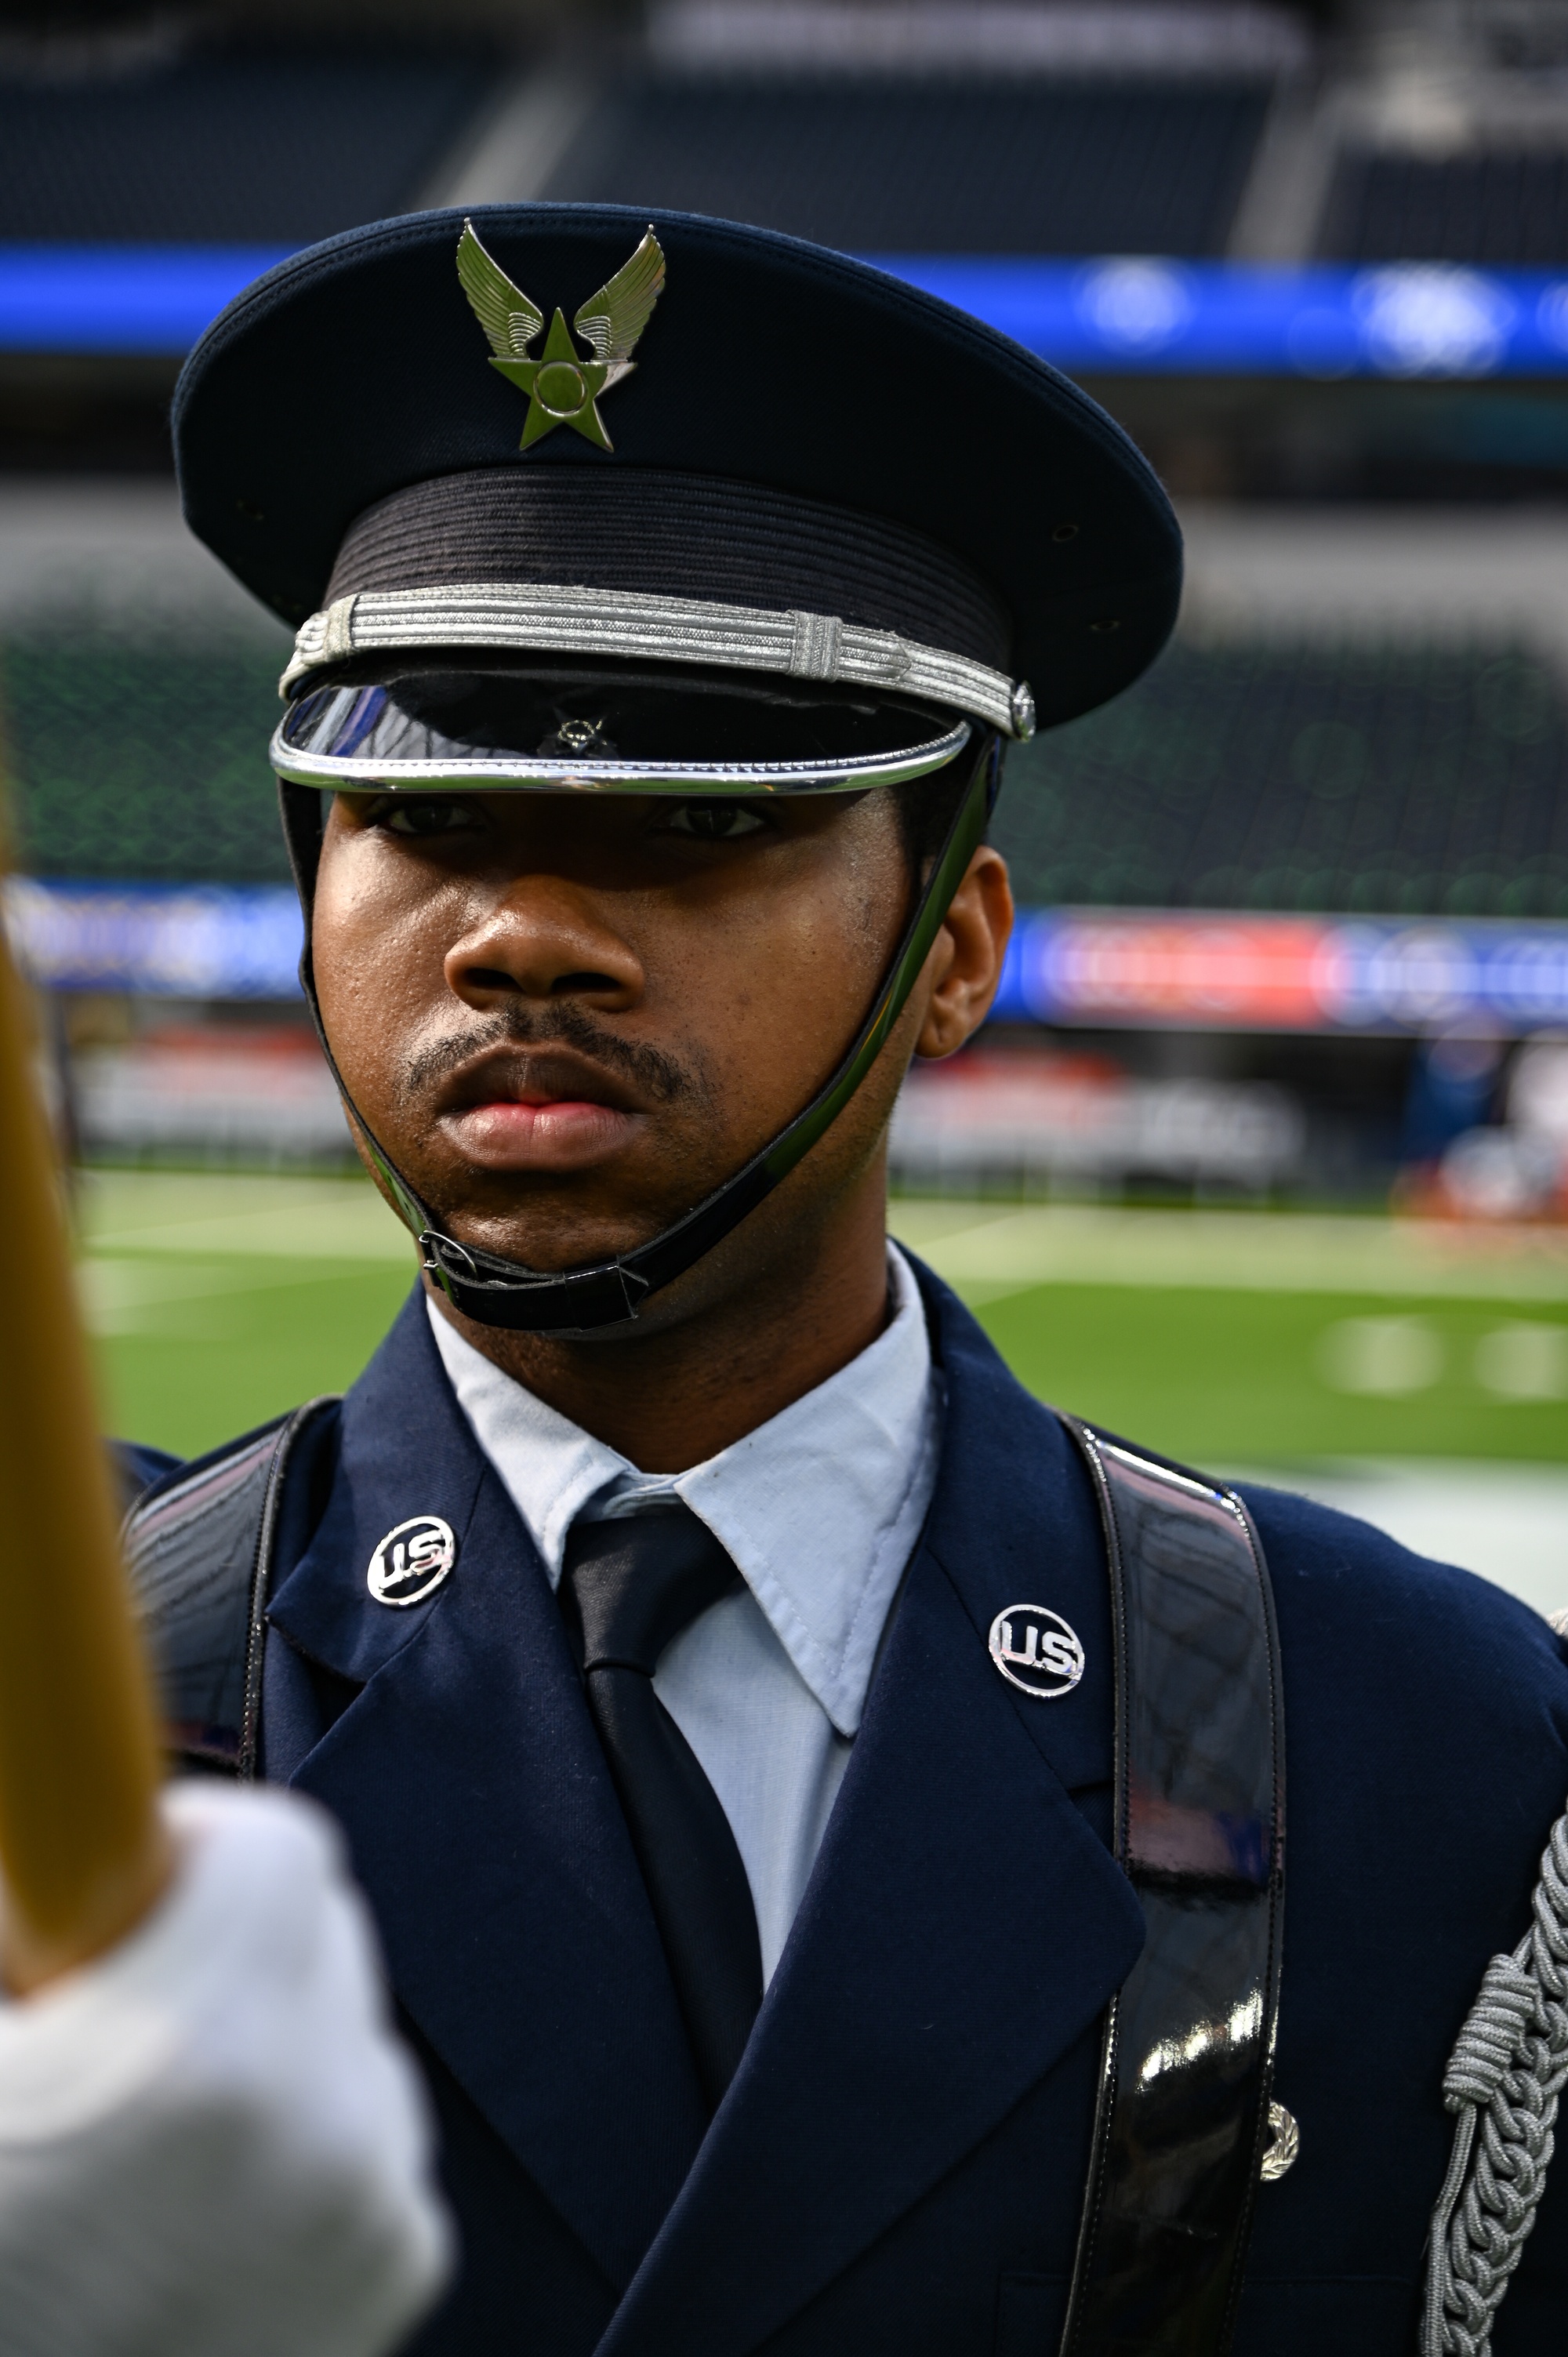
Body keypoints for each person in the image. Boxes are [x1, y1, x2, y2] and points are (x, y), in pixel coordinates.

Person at [76, 205, 1568, 2353]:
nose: (524, 932)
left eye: (699, 820)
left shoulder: (1421, 1742)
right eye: (427, 812)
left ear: (952, 952)